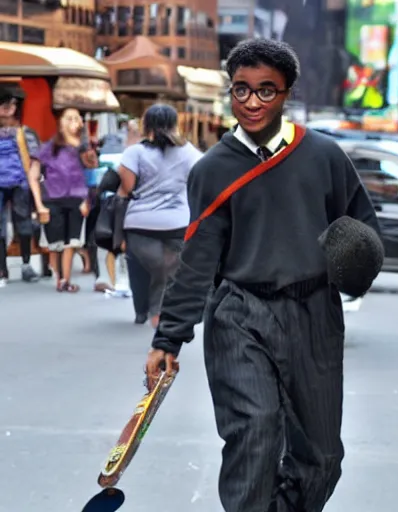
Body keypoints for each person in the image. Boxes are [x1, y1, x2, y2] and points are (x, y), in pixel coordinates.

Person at [144, 39, 379, 511]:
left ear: (287, 92)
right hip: (239, 314)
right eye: (241, 90)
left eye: (266, 91)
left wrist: (353, 262)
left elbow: (364, 229)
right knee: (254, 437)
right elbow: (197, 259)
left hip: (314, 314)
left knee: (323, 458)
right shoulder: (213, 169)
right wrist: (168, 339)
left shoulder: (324, 156)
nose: (251, 102)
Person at [119, 104, 202, 327]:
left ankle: (142, 311)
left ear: (146, 125)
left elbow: (127, 188)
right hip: (178, 222)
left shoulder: (135, 151)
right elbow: (200, 180)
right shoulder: (190, 152)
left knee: (143, 268)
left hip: (139, 223)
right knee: (169, 269)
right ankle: (159, 311)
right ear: (175, 125)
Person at [28, 107, 89, 293]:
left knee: (72, 242)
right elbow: (33, 176)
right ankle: (60, 278)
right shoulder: (47, 148)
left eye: (76, 118)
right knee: (56, 244)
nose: (73, 122)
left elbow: (90, 176)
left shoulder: (84, 148)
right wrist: (39, 204)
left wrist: (86, 199)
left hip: (76, 199)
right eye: (68, 118)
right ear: (60, 122)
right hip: (52, 199)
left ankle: (65, 280)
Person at [0, 83, 40, 286]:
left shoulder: (25, 133)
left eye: (11, 104)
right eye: (4, 104)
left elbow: (35, 160)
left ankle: (26, 264)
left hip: (20, 184)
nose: (7, 109)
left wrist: (34, 187)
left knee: (24, 224)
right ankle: (1, 269)